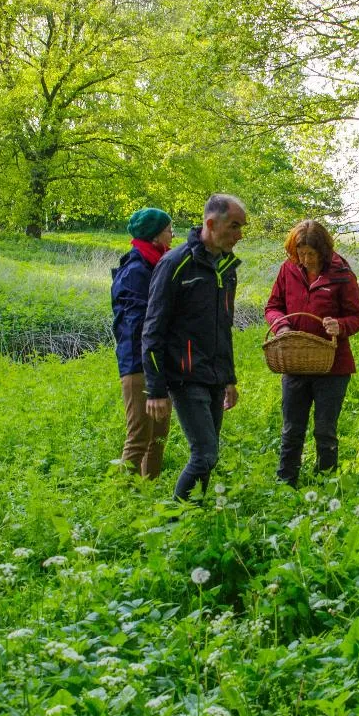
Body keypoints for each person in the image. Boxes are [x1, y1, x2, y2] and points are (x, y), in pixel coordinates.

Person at [142, 193, 247, 500]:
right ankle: (175, 519)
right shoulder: (175, 264)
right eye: (234, 226)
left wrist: (229, 378)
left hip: (214, 374)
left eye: (242, 228)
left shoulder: (226, 268)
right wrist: (156, 389)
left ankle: (193, 519)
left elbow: (223, 327)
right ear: (211, 224)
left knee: (208, 457)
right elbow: (152, 330)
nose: (239, 235)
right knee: (205, 455)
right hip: (184, 375)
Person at [264, 218, 359, 486]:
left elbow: (358, 316)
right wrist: (282, 326)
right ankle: (286, 482)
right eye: (301, 253)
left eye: (311, 254)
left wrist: (339, 325)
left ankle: (326, 484)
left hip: (333, 365)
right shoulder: (288, 270)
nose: (306, 259)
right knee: (291, 429)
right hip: (295, 363)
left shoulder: (341, 273)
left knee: (325, 430)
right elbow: (272, 306)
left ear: (323, 251)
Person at [111, 207, 174, 478]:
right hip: (138, 364)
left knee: (158, 437)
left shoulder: (156, 263)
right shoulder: (135, 270)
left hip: (158, 364)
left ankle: (149, 494)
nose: (173, 233)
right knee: (139, 435)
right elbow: (137, 324)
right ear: (155, 235)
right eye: (168, 229)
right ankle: (124, 501)